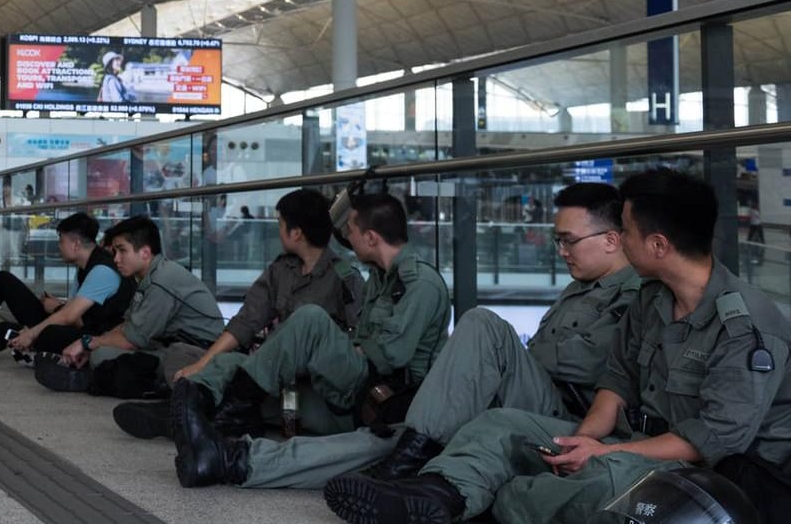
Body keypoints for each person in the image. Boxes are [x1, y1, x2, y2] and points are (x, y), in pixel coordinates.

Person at [328, 168, 791, 524]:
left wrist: (604, 454)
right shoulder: (654, 298)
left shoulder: (747, 328)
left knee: (593, 481)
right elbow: (618, 379)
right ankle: (434, 496)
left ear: (657, 244)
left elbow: (708, 441)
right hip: (635, 443)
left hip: (708, 478)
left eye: (625, 232)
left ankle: (485, 499)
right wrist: (586, 438)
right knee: (502, 424)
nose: (620, 241)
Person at [173, 182, 643, 494]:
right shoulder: (577, 289)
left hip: (561, 416)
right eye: (557, 241)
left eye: (568, 241)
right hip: (495, 400)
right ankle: (237, 460)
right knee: (381, 444)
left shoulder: (641, 299)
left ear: (612, 238)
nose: (560, 252)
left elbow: (391, 353)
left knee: (406, 414)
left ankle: (226, 425)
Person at [169, 191, 449, 488]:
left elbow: (389, 355)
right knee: (239, 368)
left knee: (310, 318)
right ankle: (200, 412)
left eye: (351, 231)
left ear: (370, 238)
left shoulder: (419, 284)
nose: (346, 238)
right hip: (354, 386)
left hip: (382, 394)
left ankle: (231, 411)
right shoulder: (380, 278)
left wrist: (326, 348)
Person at [112, 189, 361, 429]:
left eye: (280, 222)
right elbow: (245, 322)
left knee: (238, 377)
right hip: (274, 380)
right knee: (224, 363)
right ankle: (183, 411)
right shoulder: (282, 271)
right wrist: (203, 364)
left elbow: (355, 346)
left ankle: (190, 415)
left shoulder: (345, 278)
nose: (278, 228)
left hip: (317, 387)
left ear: (296, 233)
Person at [41, 215, 222, 395]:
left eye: (122, 251)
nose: (116, 259)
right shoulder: (148, 278)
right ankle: (98, 378)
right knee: (101, 354)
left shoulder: (162, 281)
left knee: (107, 358)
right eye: (114, 252)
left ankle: (98, 381)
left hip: (196, 353)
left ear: (144, 252)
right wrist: (93, 345)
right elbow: (128, 326)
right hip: (168, 344)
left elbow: (133, 340)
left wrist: (87, 343)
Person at [0, 213, 134, 361]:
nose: (59, 246)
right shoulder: (85, 267)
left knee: (8, 330)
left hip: (92, 336)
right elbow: (76, 312)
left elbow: (72, 318)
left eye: (61, 241)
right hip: (76, 324)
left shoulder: (102, 271)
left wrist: (33, 331)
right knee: (3, 280)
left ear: (76, 244)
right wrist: (57, 307)